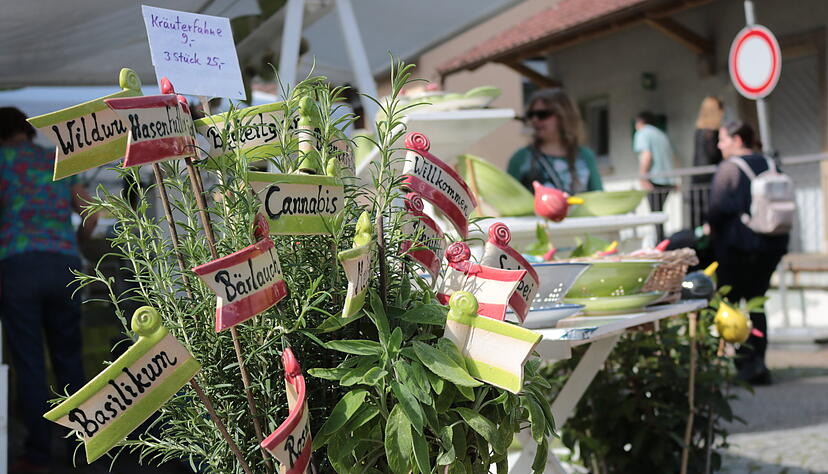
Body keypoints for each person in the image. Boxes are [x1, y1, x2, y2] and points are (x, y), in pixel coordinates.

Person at [0, 107, 97, 471]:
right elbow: (92, 213)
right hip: (63, 264)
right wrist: (72, 243)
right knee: (69, 358)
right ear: (27, 130)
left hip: (17, 263)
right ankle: (83, 447)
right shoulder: (57, 158)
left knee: (29, 362)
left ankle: (38, 452)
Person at [708, 121, 788, 385]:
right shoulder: (770, 163)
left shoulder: (730, 168)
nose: (719, 145)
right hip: (771, 245)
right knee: (757, 302)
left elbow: (717, 210)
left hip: (738, 247)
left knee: (730, 303)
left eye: (723, 139)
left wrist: (708, 230)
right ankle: (759, 362)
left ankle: (740, 362)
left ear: (738, 140)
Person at [507, 88, 602, 195]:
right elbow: (508, 199)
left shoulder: (585, 156)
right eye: (531, 114)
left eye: (542, 114)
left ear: (563, 116)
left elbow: (599, 198)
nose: (535, 120)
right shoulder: (521, 158)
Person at [633, 111, 676, 240]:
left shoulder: (642, 133)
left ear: (640, 122)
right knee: (659, 215)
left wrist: (643, 177)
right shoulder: (661, 134)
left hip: (654, 179)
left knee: (655, 216)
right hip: (668, 179)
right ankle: (662, 242)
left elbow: (646, 156)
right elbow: (673, 157)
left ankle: (660, 244)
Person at [689, 97, 725, 228]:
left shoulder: (699, 130)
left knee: (699, 220)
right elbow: (713, 155)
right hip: (709, 181)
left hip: (698, 181)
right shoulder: (711, 132)